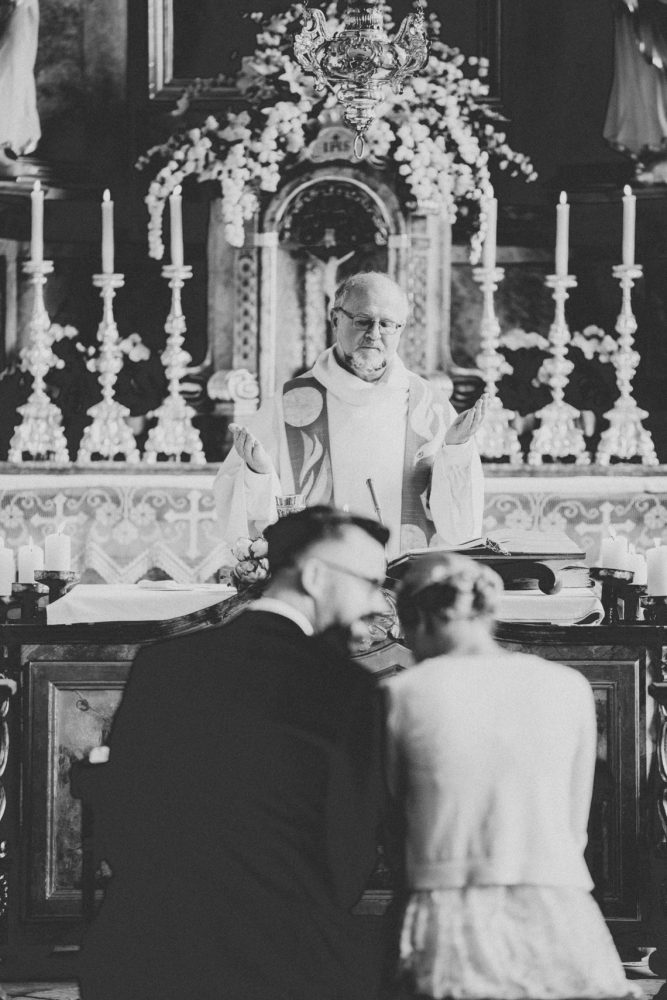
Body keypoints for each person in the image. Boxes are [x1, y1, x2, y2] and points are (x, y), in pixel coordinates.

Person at [77, 506, 390, 1000]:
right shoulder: (347, 688)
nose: (378, 603)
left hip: (143, 953)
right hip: (284, 963)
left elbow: (120, 808)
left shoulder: (164, 664)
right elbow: (348, 852)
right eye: (371, 583)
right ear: (313, 576)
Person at [381, 553, 641, 1000]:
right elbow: (575, 823)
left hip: (449, 900)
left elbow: (391, 817)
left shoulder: (402, 692)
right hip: (556, 901)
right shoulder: (568, 687)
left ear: (418, 618)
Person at [214, 271, 487, 561]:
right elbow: (243, 517)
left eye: (387, 324)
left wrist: (457, 451)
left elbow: (460, 528)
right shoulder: (290, 403)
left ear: (401, 328)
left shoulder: (430, 406)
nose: (374, 334)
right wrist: (259, 473)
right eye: (363, 321)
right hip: (319, 581)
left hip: (406, 585)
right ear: (335, 319)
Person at [0, 0, 41, 164]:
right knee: (10, 69)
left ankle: (4, 143)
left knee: (17, 68)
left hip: (21, 7)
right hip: (14, 7)